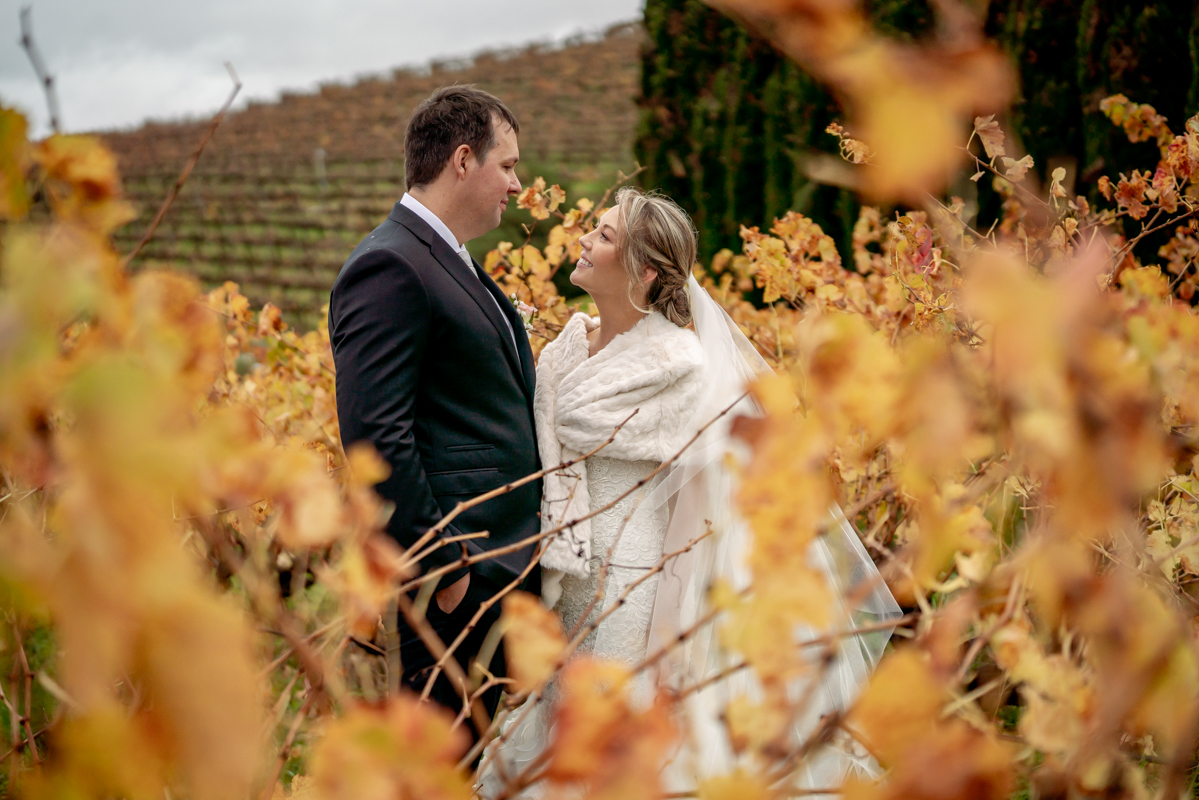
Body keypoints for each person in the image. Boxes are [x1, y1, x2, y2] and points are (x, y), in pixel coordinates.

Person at [479, 187, 902, 797]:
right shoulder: (564, 346)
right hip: (561, 584)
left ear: (644, 273)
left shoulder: (682, 367)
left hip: (633, 595)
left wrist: (671, 648)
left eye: (603, 235)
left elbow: (699, 517)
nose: (583, 239)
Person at [328, 86, 540, 735]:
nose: (517, 185)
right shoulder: (389, 266)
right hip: (458, 589)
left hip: (506, 573)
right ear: (462, 159)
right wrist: (443, 569)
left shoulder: (446, 260)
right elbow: (374, 435)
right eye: (507, 166)